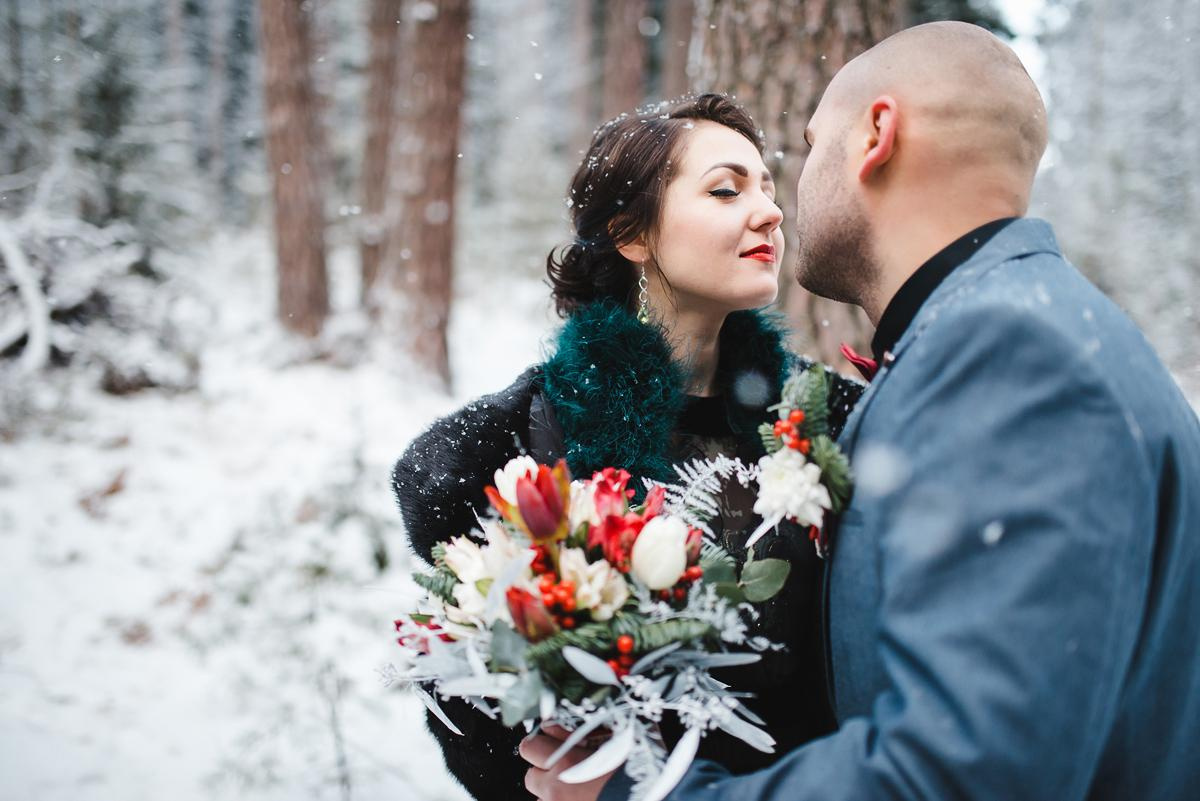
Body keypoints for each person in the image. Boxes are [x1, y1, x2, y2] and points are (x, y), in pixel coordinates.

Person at [520, 21, 1200, 801]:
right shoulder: (1026, 329)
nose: (784, 203)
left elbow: (966, 772)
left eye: (808, 149)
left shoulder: (1008, 358)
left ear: (877, 134)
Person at [391, 94, 864, 801]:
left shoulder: (837, 419)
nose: (769, 212)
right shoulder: (492, 453)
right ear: (630, 233)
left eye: (768, 189)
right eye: (727, 190)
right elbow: (485, 736)